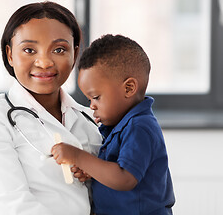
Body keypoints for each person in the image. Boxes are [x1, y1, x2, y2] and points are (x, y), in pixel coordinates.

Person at [0, 1, 103, 215]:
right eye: (29, 50)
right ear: (10, 55)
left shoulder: (90, 121)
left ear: (74, 55)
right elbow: (9, 208)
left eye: (59, 49)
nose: (44, 62)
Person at [51, 34, 175, 215]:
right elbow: (113, 171)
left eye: (96, 97)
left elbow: (124, 178)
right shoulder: (120, 127)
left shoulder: (140, 127)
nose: (92, 105)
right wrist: (93, 172)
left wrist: (78, 157)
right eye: (89, 99)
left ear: (128, 88)